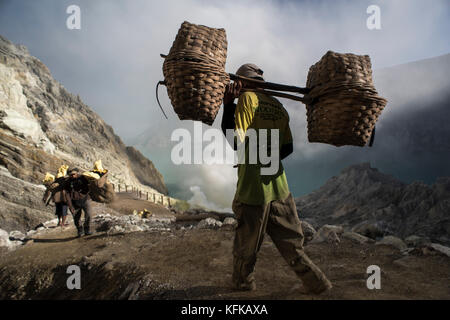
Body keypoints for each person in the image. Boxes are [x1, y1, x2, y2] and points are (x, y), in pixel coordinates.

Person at [221, 63, 332, 294]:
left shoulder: (247, 100)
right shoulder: (279, 106)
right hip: (279, 186)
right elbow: (287, 148)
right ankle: (316, 282)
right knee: (291, 242)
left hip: (253, 188)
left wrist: (227, 106)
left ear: (241, 83)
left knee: (246, 244)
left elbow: (235, 141)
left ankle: (243, 283)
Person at [64, 168, 93, 237]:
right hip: (74, 203)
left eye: (73, 174)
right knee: (76, 218)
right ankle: (80, 230)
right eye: (70, 175)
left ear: (77, 173)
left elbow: (90, 184)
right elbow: (67, 194)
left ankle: (87, 229)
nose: (72, 176)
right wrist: (70, 206)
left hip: (85, 200)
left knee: (89, 215)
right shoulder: (67, 182)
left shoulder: (83, 178)